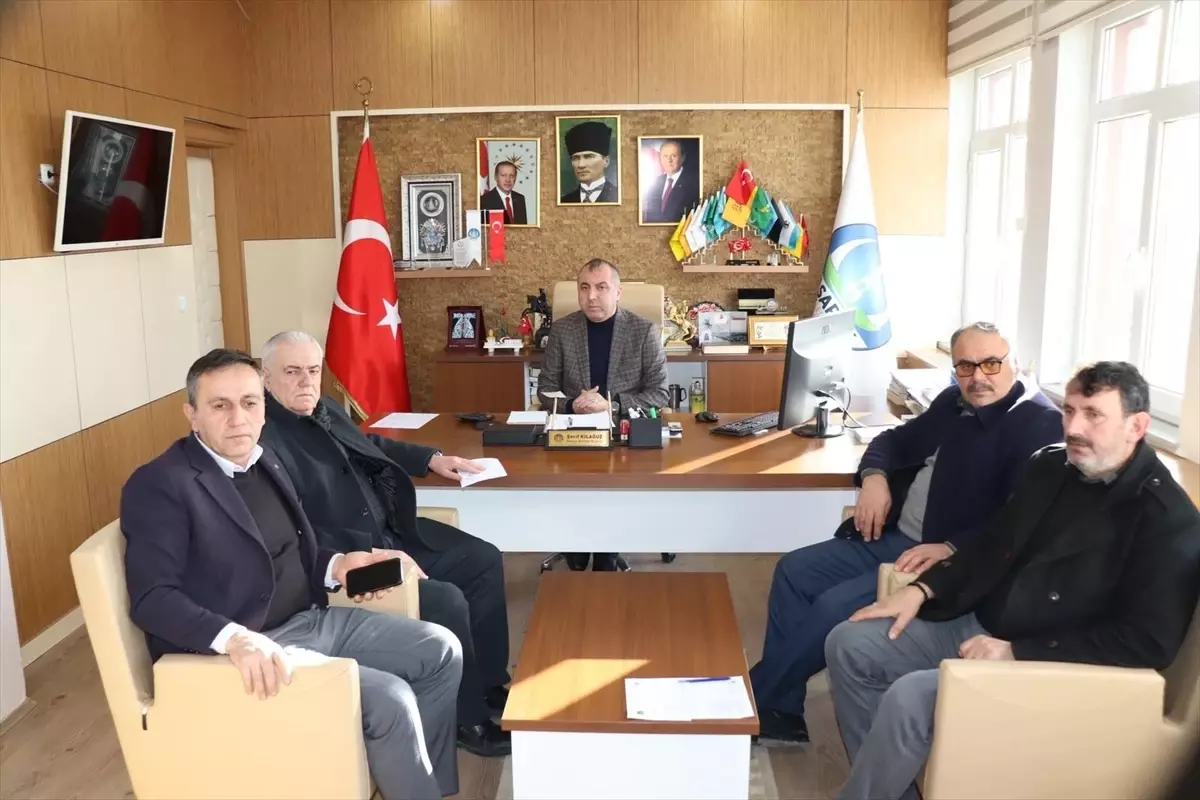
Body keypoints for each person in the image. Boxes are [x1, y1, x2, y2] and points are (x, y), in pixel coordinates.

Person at [825, 361, 1200, 800]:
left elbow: (1146, 643)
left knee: (910, 698)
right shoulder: (1052, 466)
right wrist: (921, 589)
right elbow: (991, 544)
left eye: (1093, 415)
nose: (1074, 428)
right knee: (848, 644)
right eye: (1069, 411)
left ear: (1137, 426)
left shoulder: (1167, 519)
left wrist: (1018, 652)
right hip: (983, 624)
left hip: (1055, 664)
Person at [120, 349, 462, 800]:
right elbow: (152, 598)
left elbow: (296, 551)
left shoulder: (264, 460)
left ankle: (425, 787)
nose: (238, 419)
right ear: (192, 415)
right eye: (220, 405)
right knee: (389, 697)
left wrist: (340, 566)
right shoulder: (161, 484)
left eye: (249, 402)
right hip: (250, 651)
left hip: (311, 619)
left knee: (440, 648)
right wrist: (235, 639)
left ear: (264, 408)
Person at [748, 321, 1063, 743]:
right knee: (794, 570)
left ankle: (750, 701)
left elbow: (1019, 520)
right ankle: (780, 709)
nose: (978, 377)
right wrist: (874, 478)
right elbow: (893, 441)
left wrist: (952, 546)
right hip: (893, 536)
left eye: (991, 363)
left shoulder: (1040, 424)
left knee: (831, 607)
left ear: (1016, 364)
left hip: (942, 560)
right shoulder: (954, 402)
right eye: (965, 366)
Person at [258, 331, 512, 758]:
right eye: (292, 372)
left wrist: (430, 458)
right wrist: (359, 558)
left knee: (483, 559)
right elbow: (292, 535)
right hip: (349, 564)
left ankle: (487, 684)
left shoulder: (324, 408)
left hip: (392, 535)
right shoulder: (264, 438)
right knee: (446, 600)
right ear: (266, 377)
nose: (306, 382)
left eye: (313, 371)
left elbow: (367, 444)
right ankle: (466, 720)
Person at [537, 258, 669, 572]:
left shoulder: (643, 331)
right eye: (584, 288)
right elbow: (546, 388)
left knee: (611, 491)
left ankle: (605, 550)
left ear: (618, 292)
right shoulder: (563, 330)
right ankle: (580, 543)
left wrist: (611, 405)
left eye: (601, 287)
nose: (591, 296)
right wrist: (573, 404)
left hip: (623, 436)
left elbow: (659, 394)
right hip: (574, 434)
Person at [559, 120, 618, 203]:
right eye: (575, 158)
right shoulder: (564, 201)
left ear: (606, 161)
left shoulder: (618, 196)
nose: (581, 165)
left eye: (588, 157)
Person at [642, 140, 698, 224]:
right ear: (660, 159)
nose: (669, 160)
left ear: (682, 158)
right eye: (665, 156)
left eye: (674, 156)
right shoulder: (656, 182)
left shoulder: (694, 182)